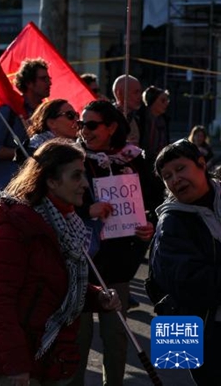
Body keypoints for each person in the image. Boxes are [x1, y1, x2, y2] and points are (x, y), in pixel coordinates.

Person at [0, 139, 122, 386]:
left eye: (83, 175)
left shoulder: (68, 223)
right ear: (51, 181)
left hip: (54, 357)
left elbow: (56, 286)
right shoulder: (14, 223)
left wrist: (98, 298)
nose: (85, 184)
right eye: (76, 176)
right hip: (20, 363)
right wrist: (17, 365)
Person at [71, 100, 155, 386]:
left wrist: (150, 225)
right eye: (81, 125)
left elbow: (156, 201)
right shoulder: (72, 158)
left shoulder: (134, 159)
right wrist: (87, 210)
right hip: (81, 261)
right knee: (78, 340)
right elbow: (51, 200)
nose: (84, 131)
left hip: (119, 264)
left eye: (91, 125)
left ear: (111, 128)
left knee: (116, 338)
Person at [150, 139, 221, 385]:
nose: (175, 179)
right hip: (201, 329)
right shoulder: (170, 222)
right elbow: (188, 282)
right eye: (167, 176)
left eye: (180, 169)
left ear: (201, 164)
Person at [0, 58, 50, 200]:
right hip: (8, 189)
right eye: (43, 79)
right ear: (29, 83)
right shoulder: (9, 111)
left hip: (35, 189)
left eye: (48, 78)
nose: (49, 82)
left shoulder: (46, 113)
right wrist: (20, 153)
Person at [139, 86, 170, 164]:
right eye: (163, 100)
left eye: (167, 100)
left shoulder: (164, 120)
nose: (166, 103)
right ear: (152, 101)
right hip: (142, 161)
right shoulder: (140, 118)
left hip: (159, 161)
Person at [112, 74, 142, 145]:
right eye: (136, 92)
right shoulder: (109, 118)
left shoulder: (139, 118)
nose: (140, 96)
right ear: (120, 94)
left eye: (140, 92)